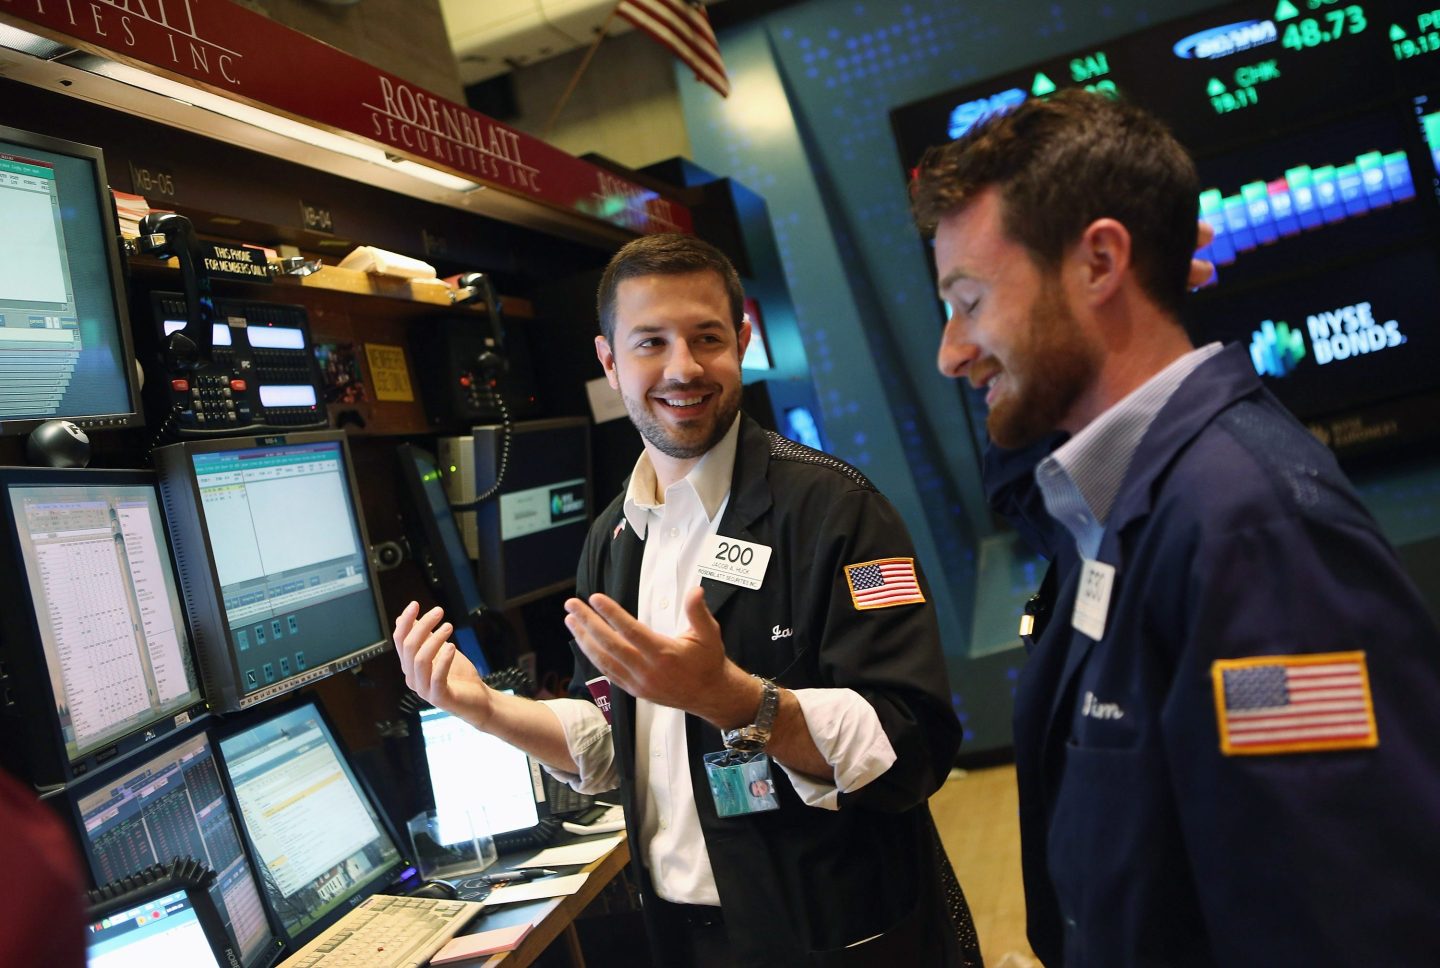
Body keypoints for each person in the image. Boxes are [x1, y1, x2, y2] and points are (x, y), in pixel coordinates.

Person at [909, 88, 1440, 966]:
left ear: (1098, 262)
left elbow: (1345, 916)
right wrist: (1127, 300)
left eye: (968, 301)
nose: (949, 351)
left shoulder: (1249, 535)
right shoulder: (1109, 500)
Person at [394, 234, 979, 967]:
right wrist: (488, 713)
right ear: (609, 361)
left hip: (838, 935)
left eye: (706, 338)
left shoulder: (835, 508)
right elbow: (616, 732)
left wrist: (736, 700)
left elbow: (912, 743)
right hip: (686, 939)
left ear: (741, 341)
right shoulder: (613, 538)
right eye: (651, 343)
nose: (683, 369)